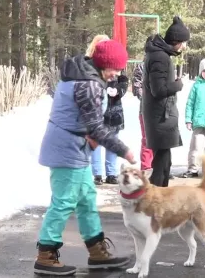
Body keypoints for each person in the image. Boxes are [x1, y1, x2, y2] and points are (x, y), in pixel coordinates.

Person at [35, 39, 135, 275]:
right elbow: (97, 127)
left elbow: (87, 123)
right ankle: (46, 255)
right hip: (66, 149)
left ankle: (97, 251)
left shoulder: (84, 75)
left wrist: (89, 135)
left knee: (86, 199)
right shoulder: (88, 84)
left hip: (75, 147)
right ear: (104, 64)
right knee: (63, 202)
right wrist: (125, 151)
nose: (117, 74)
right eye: (116, 69)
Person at [142, 16, 190, 187]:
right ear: (176, 41)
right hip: (159, 117)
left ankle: (159, 204)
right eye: (184, 42)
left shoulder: (160, 55)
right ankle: (153, 204)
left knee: (164, 166)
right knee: (160, 168)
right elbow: (159, 90)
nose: (185, 46)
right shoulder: (160, 57)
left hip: (162, 115)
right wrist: (178, 85)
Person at [85, 35, 129, 185]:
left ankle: (111, 173)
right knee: (96, 143)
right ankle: (97, 173)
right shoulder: (90, 69)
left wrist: (117, 91)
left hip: (114, 112)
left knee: (112, 143)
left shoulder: (116, 69)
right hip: (98, 115)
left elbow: (123, 84)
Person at [132, 62, 154, 172]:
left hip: (163, 109)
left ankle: (160, 166)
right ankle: (146, 167)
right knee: (147, 139)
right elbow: (136, 87)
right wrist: (146, 98)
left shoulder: (164, 63)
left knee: (162, 139)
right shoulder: (142, 66)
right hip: (145, 109)